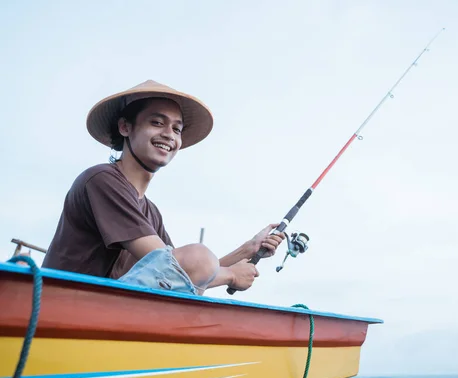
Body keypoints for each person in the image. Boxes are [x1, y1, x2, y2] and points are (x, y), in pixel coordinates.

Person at [42, 80, 285, 296]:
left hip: (102, 310)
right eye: (157, 122)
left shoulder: (151, 212)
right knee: (197, 256)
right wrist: (232, 276)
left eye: (177, 129)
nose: (169, 135)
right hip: (58, 304)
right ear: (125, 127)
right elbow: (181, 268)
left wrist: (248, 249)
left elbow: (178, 278)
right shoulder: (101, 179)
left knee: (193, 261)